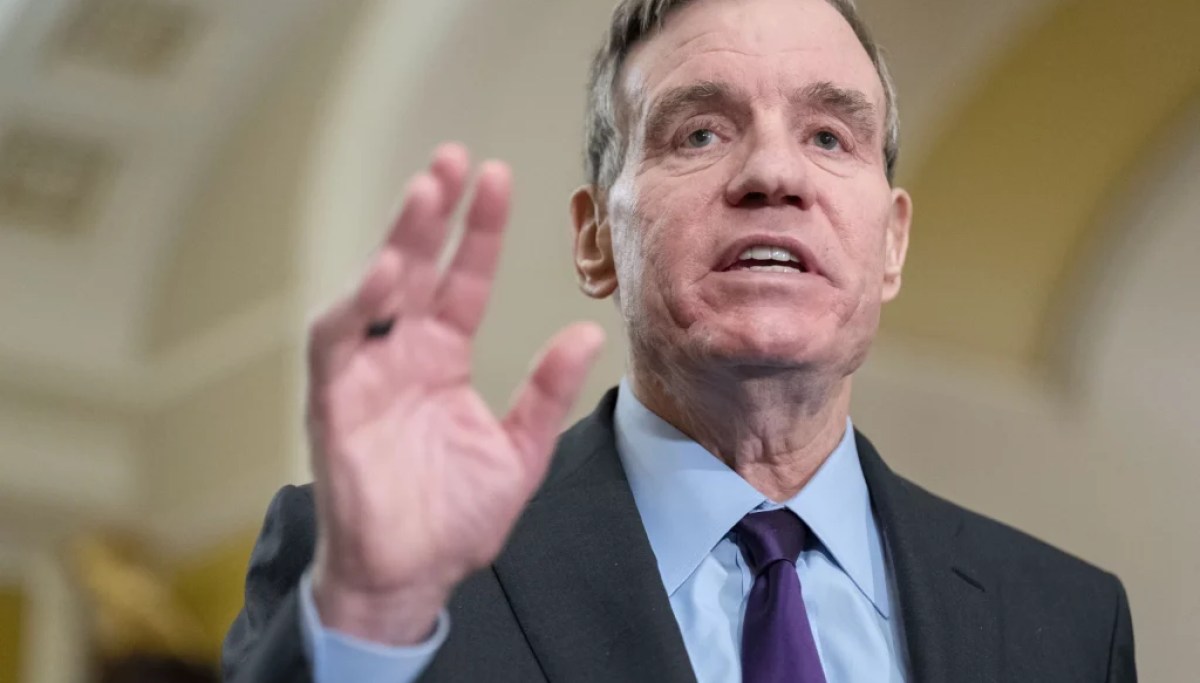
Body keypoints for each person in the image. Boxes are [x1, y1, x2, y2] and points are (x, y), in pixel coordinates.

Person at [221, 0, 1137, 681]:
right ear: (595, 238)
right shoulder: (380, 577)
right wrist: (369, 621)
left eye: (829, 136)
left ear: (892, 241)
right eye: (699, 132)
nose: (773, 172)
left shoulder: (1066, 622)